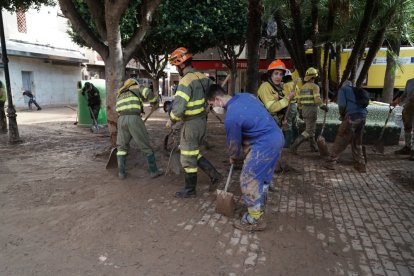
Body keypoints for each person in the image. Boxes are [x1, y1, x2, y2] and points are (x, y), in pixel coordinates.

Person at [206, 84, 284, 232]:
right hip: (277, 137)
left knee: (248, 179)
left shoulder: (231, 117)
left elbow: (233, 143)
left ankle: (255, 219)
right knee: (262, 177)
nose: (213, 108)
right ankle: (259, 206)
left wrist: (233, 157)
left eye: (211, 104)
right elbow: (253, 118)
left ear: (217, 99)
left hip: (264, 144)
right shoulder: (246, 95)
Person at [167, 47, 222, 198]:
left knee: (186, 157)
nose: (176, 68)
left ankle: (190, 189)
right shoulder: (204, 77)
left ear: (182, 64)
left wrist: (171, 119)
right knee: (193, 153)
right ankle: (215, 175)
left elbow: (178, 110)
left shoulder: (185, 81)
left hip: (191, 124)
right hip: (202, 122)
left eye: (176, 66)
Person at [115, 78, 163, 179]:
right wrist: (153, 102)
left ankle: (121, 173)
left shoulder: (120, 92)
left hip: (121, 119)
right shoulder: (137, 87)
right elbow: (148, 92)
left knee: (121, 147)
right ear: (134, 83)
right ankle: (154, 171)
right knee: (145, 145)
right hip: (134, 118)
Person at [324, 81, 368, 172]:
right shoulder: (357, 91)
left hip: (351, 117)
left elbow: (342, 105)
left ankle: (331, 162)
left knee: (341, 138)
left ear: (344, 85)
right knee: (357, 142)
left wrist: (342, 115)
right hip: (363, 117)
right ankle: (361, 165)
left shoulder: (343, 89)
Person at [290, 67, 328, 154]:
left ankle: (313, 147)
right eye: (315, 77)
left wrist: (300, 111)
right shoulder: (315, 87)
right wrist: (323, 107)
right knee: (309, 131)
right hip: (311, 110)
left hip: (304, 110)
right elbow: (317, 99)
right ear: (312, 78)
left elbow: (299, 101)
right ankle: (294, 146)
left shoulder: (302, 87)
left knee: (311, 129)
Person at [257, 59, 296, 127]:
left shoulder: (278, 88)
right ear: (270, 74)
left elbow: (280, 108)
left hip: (273, 124)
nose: (278, 77)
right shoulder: (265, 86)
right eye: (276, 73)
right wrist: (288, 98)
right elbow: (271, 108)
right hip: (265, 125)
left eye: (281, 74)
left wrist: (282, 121)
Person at [391, 78, 414, 160]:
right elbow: (404, 95)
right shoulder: (410, 81)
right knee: (407, 128)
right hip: (408, 108)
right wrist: (396, 102)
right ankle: (407, 147)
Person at [282, 69, 300, 147]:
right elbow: (298, 96)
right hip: (295, 106)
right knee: (294, 123)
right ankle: (296, 140)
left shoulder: (285, 85)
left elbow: (285, 97)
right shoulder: (295, 85)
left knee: (288, 124)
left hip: (289, 106)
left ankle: (287, 143)